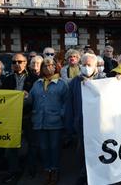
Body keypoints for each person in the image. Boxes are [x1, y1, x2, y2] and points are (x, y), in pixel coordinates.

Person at [26, 57, 70, 185]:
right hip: (39, 121)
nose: (47, 68)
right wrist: (24, 96)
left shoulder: (62, 83)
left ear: (55, 66)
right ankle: (47, 170)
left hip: (55, 122)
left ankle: (55, 170)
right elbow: (31, 100)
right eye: (44, 66)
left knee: (54, 147)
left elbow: (66, 103)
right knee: (43, 148)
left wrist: (60, 115)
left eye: (50, 65)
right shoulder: (37, 83)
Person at [69, 53, 103, 185]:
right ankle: (84, 175)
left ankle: (99, 175)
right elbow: (69, 104)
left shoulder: (103, 80)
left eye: (89, 65)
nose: (86, 67)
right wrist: (71, 123)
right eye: (84, 64)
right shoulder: (74, 82)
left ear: (95, 66)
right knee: (82, 150)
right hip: (81, 123)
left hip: (100, 123)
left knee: (98, 149)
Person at [2, 53, 34, 183]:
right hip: (12, 117)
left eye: (20, 61)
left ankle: (31, 169)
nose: (17, 64)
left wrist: (29, 97)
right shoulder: (7, 79)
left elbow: (37, 98)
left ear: (26, 62)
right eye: (14, 62)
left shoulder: (34, 78)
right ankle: (13, 171)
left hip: (28, 115)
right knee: (11, 146)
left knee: (32, 144)